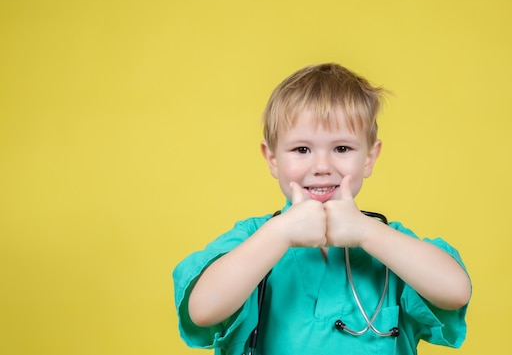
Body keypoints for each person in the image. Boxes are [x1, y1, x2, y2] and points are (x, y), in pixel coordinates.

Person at [173, 63, 471, 354]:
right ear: (272, 159)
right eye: (302, 150)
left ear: (369, 157)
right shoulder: (256, 237)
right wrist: (280, 234)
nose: (322, 167)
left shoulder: (388, 243)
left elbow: (455, 292)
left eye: (342, 148)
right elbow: (203, 310)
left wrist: (367, 233)